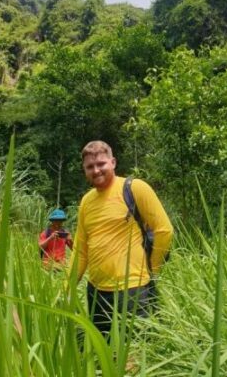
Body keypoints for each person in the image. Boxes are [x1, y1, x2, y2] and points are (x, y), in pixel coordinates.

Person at [70, 140, 173, 335]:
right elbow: (80, 250)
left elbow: (164, 230)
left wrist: (153, 269)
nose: (96, 170)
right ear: (84, 170)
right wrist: (68, 288)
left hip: (133, 291)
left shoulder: (134, 188)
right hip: (97, 293)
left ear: (113, 162)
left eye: (101, 164)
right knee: (104, 355)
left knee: (134, 355)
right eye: (90, 167)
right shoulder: (86, 201)